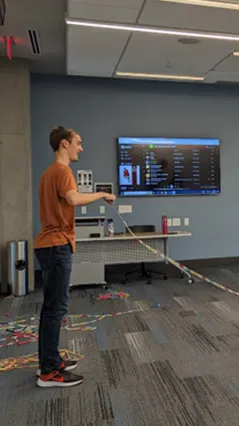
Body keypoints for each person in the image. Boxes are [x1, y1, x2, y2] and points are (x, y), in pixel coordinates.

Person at [34, 126, 116, 387]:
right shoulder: (62, 171)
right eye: (78, 143)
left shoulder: (49, 173)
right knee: (55, 309)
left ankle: (50, 361)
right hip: (57, 245)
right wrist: (103, 194)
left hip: (48, 244)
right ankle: (49, 372)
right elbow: (74, 199)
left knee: (52, 308)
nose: (81, 148)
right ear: (63, 144)